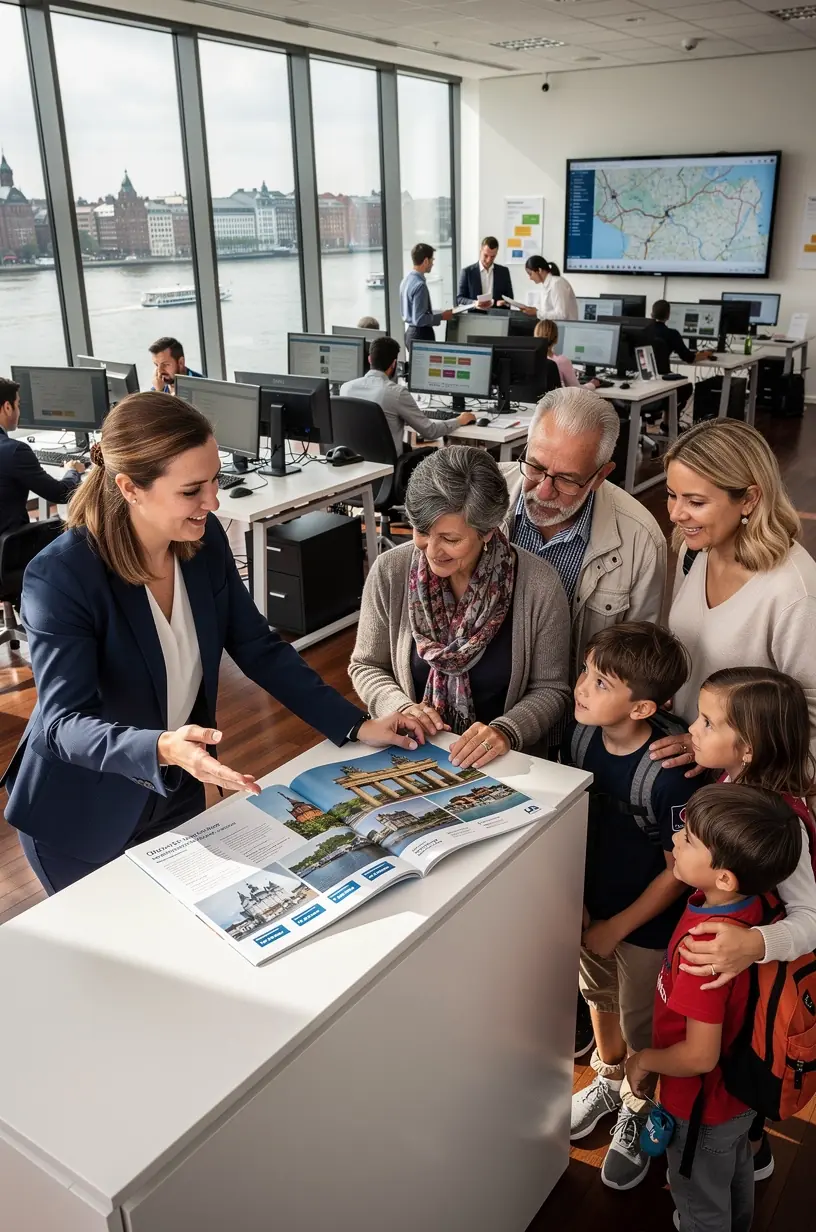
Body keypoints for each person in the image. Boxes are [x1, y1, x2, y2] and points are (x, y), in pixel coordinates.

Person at [1, 393, 426, 895]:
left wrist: (355, 724)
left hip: (176, 788)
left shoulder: (203, 544)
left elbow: (258, 647)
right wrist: (161, 746)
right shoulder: (61, 577)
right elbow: (61, 724)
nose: (214, 502)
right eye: (192, 490)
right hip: (80, 814)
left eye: (215, 480)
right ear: (130, 488)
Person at [626, 784, 801, 1232]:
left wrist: (644, 1059)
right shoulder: (757, 906)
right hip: (738, 1096)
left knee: (700, 1203)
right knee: (735, 1171)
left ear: (724, 877)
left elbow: (698, 1056)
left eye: (688, 839)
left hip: (701, 1107)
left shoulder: (706, 951)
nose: (675, 841)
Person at [566, 622, 698, 1192]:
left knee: (643, 1016)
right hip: (591, 908)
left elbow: (678, 870)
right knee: (598, 994)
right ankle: (608, 1073)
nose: (582, 688)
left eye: (600, 681)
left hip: (647, 924)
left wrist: (618, 926)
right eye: (586, 672)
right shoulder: (580, 736)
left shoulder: (671, 777)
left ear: (642, 706)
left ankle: (638, 1102)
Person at [349, 446, 571, 767]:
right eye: (422, 532)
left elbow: (552, 690)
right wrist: (400, 708)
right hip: (409, 753)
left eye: (450, 539)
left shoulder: (539, 586)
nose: (432, 550)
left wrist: (507, 731)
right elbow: (366, 665)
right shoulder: (390, 571)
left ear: (488, 531)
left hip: (501, 764)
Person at [678, 666, 816, 1180]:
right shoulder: (730, 780)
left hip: (761, 978)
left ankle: (751, 1147)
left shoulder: (784, 821)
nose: (692, 728)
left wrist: (754, 944)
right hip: (729, 968)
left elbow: (812, 919)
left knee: (743, 1069)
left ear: (749, 749)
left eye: (707, 723)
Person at [650, 418, 816, 771]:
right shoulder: (692, 550)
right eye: (671, 495)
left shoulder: (793, 590)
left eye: (695, 501)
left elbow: (809, 715)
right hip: (688, 747)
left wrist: (723, 753)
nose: (676, 514)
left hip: (745, 778)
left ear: (749, 499)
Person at [501, 387, 666, 686]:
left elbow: (635, 666)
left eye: (566, 479)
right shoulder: (479, 496)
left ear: (601, 476)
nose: (544, 491)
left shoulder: (641, 541)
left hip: (575, 713)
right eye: (536, 467)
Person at [339, 337, 475, 455]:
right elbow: (431, 432)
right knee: (431, 453)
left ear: (369, 359)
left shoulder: (346, 388)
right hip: (388, 466)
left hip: (355, 463)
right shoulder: (396, 393)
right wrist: (459, 420)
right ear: (393, 364)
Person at [0, 376, 84, 537]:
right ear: (7, 407)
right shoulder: (14, 451)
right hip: (9, 550)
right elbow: (61, 493)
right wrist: (72, 471)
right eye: (18, 405)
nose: (19, 411)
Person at [399, 243, 453, 351]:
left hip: (410, 333)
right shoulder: (420, 285)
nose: (433, 263)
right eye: (432, 260)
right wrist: (442, 317)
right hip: (421, 335)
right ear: (426, 261)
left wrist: (441, 312)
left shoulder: (406, 280)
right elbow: (419, 319)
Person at [643, 300, 715, 374]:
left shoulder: (643, 331)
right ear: (668, 315)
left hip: (646, 376)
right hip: (664, 377)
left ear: (652, 314)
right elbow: (690, 358)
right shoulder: (672, 334)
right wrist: (707, 354)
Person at [502, 256, 578, 321]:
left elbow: (561, 315)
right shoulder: (546, 286)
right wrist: (530, 310)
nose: (530, 278)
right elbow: (546, 311)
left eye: (530, 274)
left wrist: (537, 313)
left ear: (539, 270)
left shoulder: (557, 283)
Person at [533, 320, 601, 390]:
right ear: (556, 339)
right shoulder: (561, 361)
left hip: (528, 401)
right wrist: (592, 384)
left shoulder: (527, 360)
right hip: (554, 400)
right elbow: (577, 390)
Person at [457, 235, 513, 306]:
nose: (488, 260)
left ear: (496, 253)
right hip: (475, 315)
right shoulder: (467, 272)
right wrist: (475, 303)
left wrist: (503, 302)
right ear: (481, 251)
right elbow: (460, 298)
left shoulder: (504, 272)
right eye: (486, 255)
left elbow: (510, 298)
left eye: (492, 256)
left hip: (498, 315)